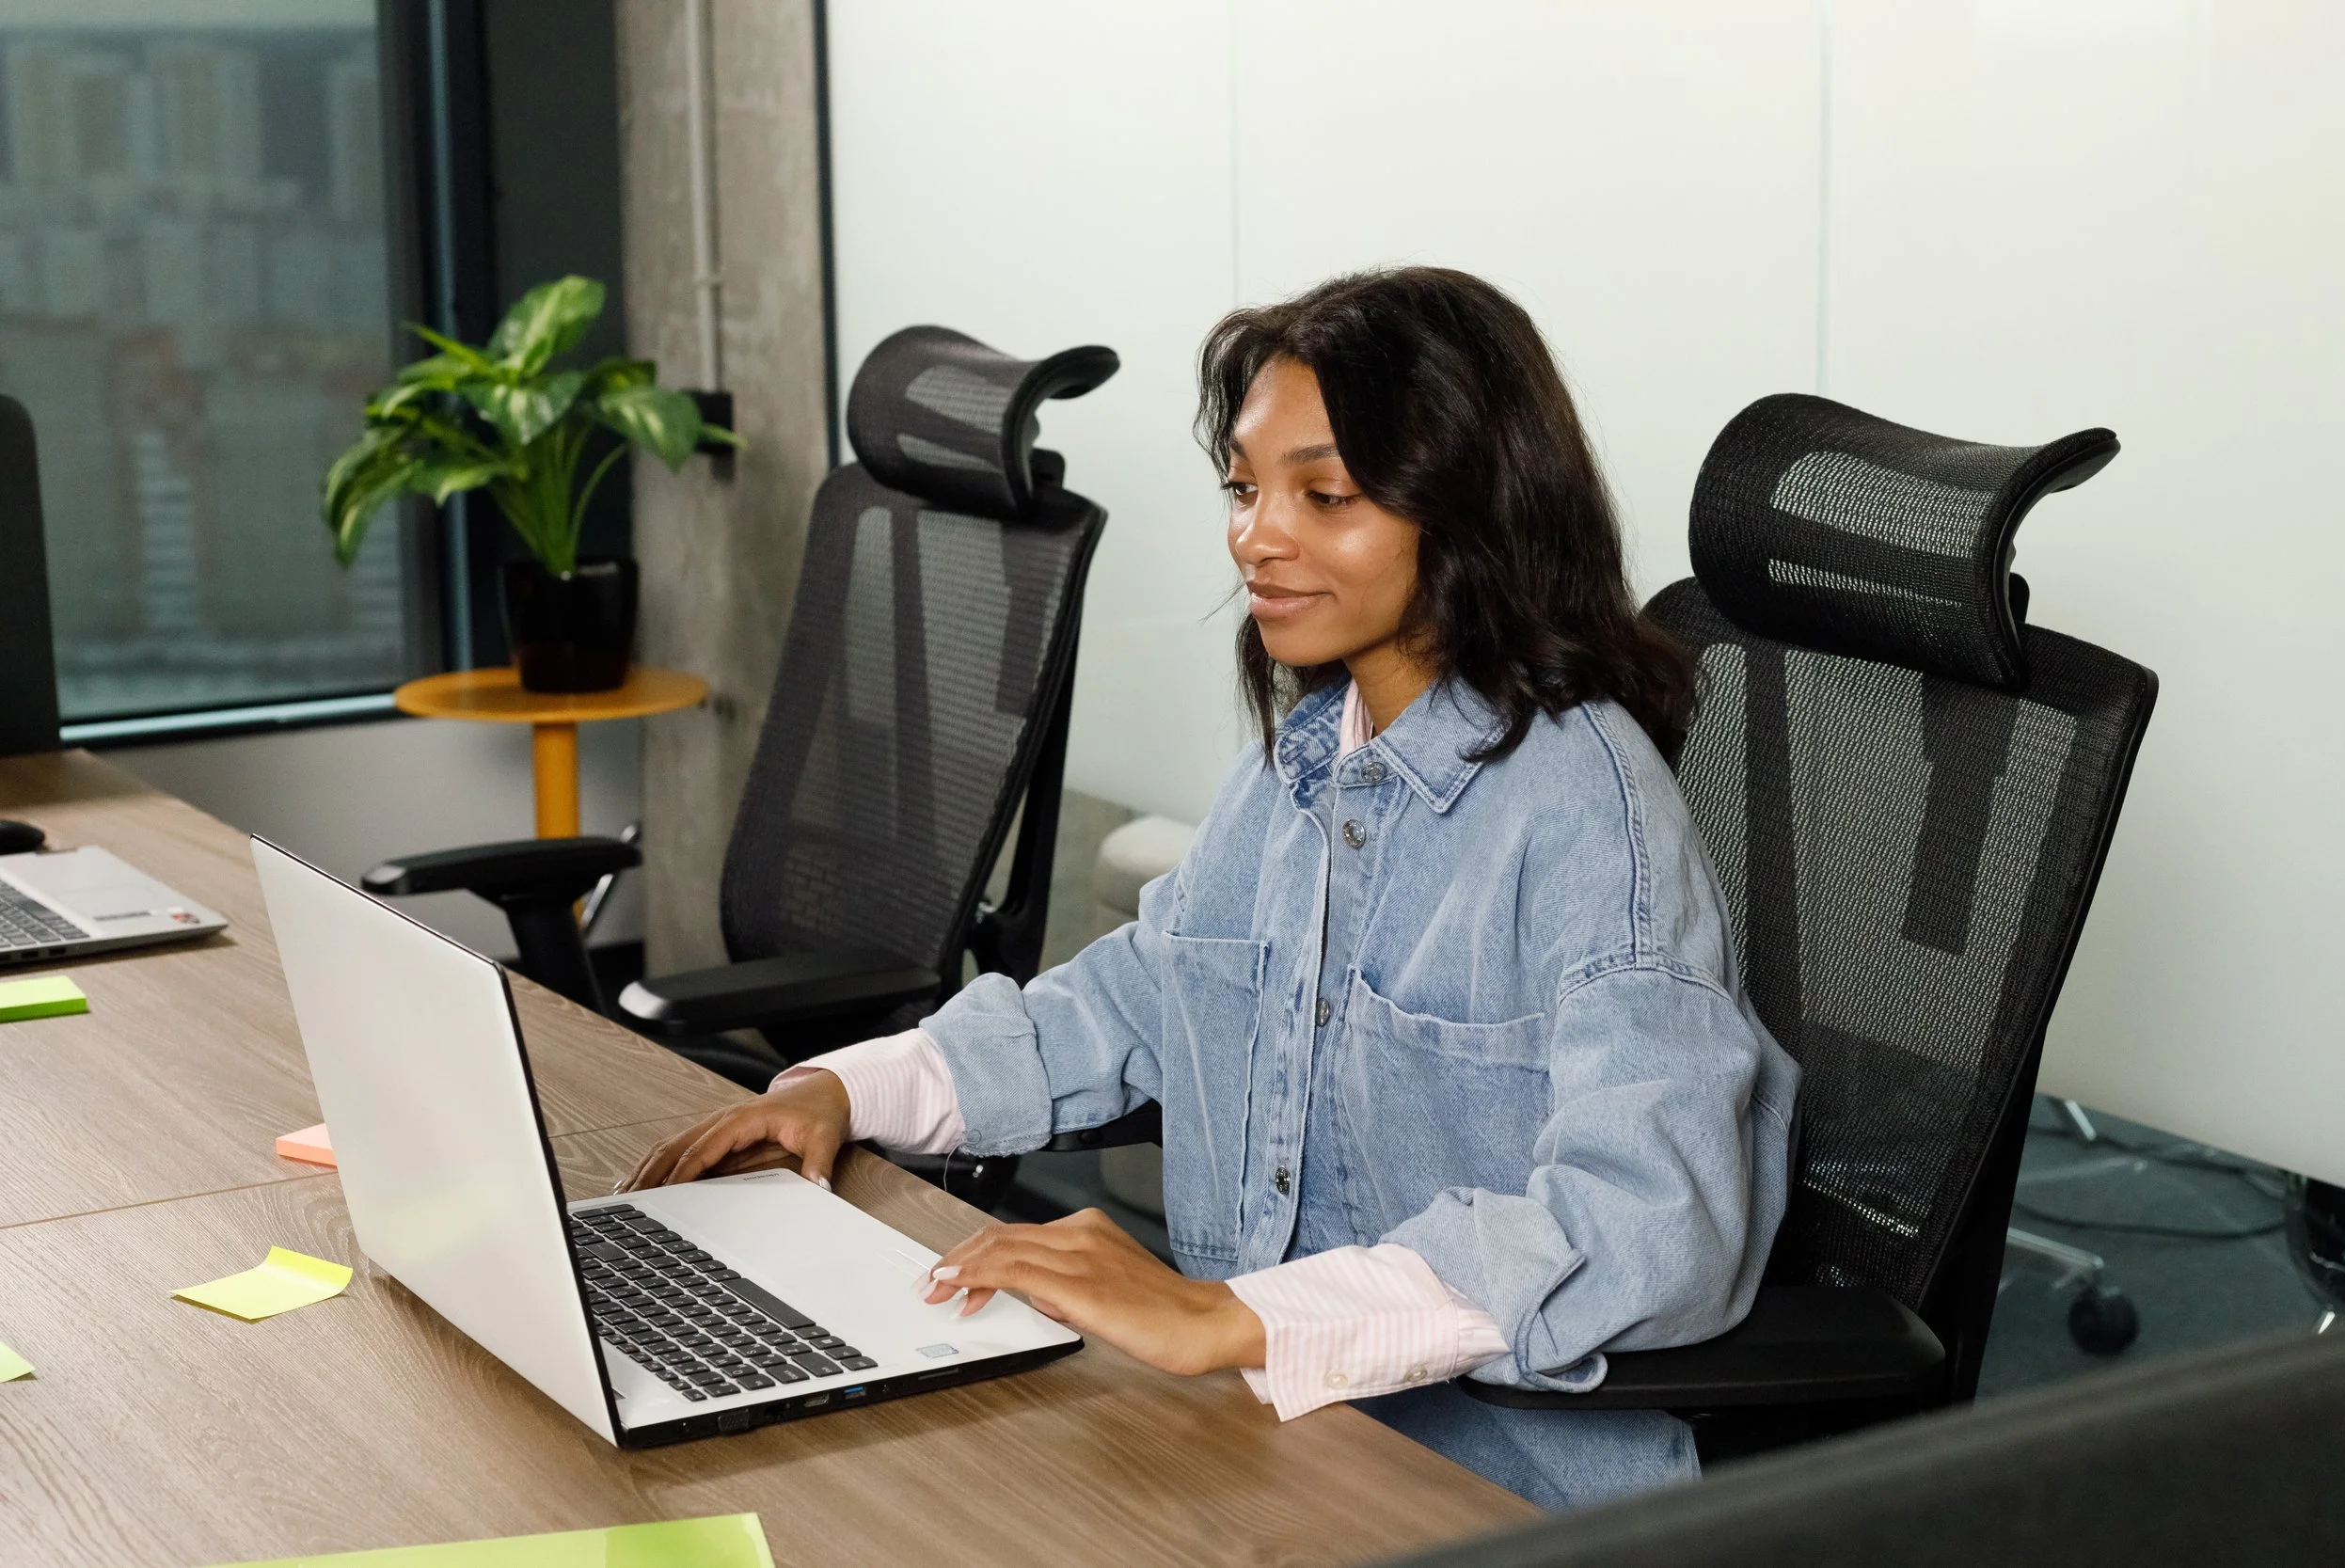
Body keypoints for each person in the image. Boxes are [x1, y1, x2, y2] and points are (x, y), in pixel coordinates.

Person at [626, 266, 1799, 1511]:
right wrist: (847, 1088)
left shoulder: (1587, 817)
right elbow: (1139, 999)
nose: (1257, 535)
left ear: (1470, 509)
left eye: (1324, 495)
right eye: (1244, 489)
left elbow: (1650, 1219)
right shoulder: (1305, 760)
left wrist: (1233, 1315)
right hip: (1253, 1440)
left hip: (1488, 1493)